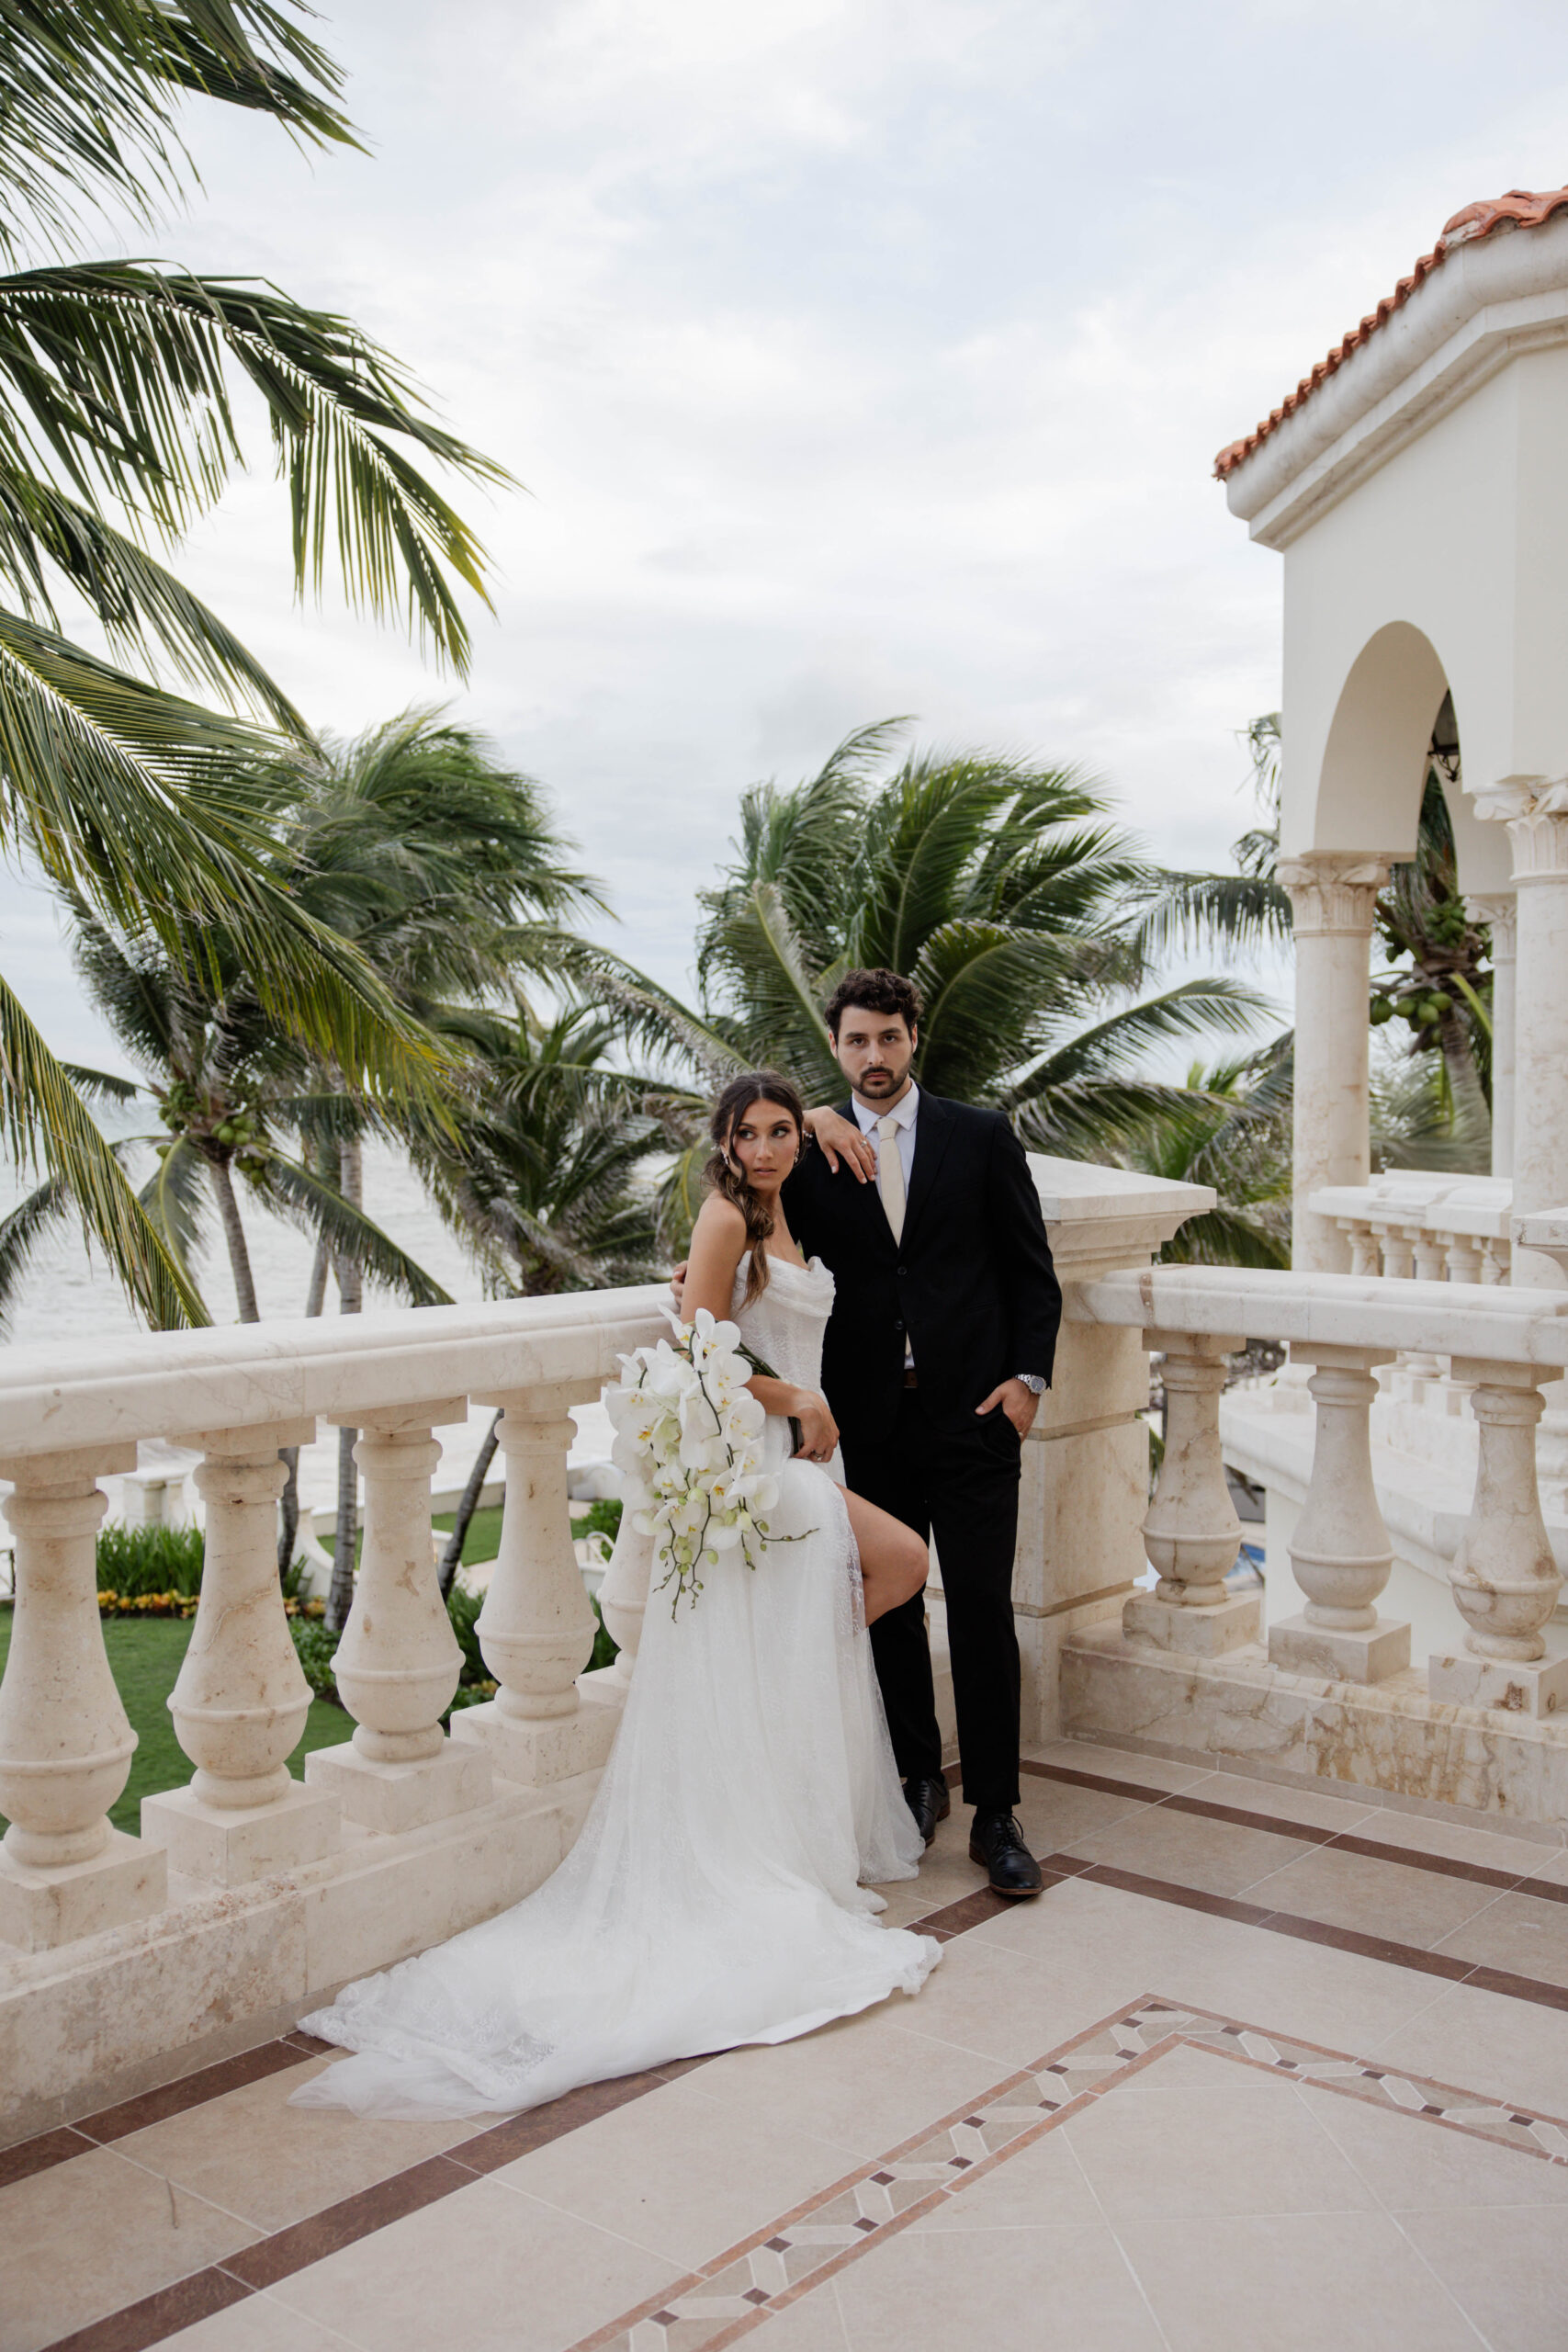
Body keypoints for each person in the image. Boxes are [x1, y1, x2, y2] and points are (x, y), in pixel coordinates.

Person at [288, 1070, 940, 2121]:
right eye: (751, 1131)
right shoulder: (727, 1212)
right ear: (722, 1139)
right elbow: (697, 1345)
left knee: (888, 1571)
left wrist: (821, 1120)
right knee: (903, 1560)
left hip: (793, 1462)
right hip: (768, 1461)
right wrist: (795, 1395)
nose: (770, 1145)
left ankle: (783, 1709)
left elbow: (753, 1279)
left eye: (782, 1130)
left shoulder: (778, 1204)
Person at [789, 969, 1063, 1900]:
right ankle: (914, 1779)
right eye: (857, 1041)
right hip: (869, 1420)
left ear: (915, 1040)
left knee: (982, 1609)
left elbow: (1033, 1270)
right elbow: (738, 1190)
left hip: (975, 1417)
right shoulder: (809, 1150)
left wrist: (1027, 1384)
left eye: (890, 1038)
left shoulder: (979, 1135)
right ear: (837, 1048)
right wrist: (809, 1117)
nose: (874, 1056)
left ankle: (995, 1810)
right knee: (892, 1605)